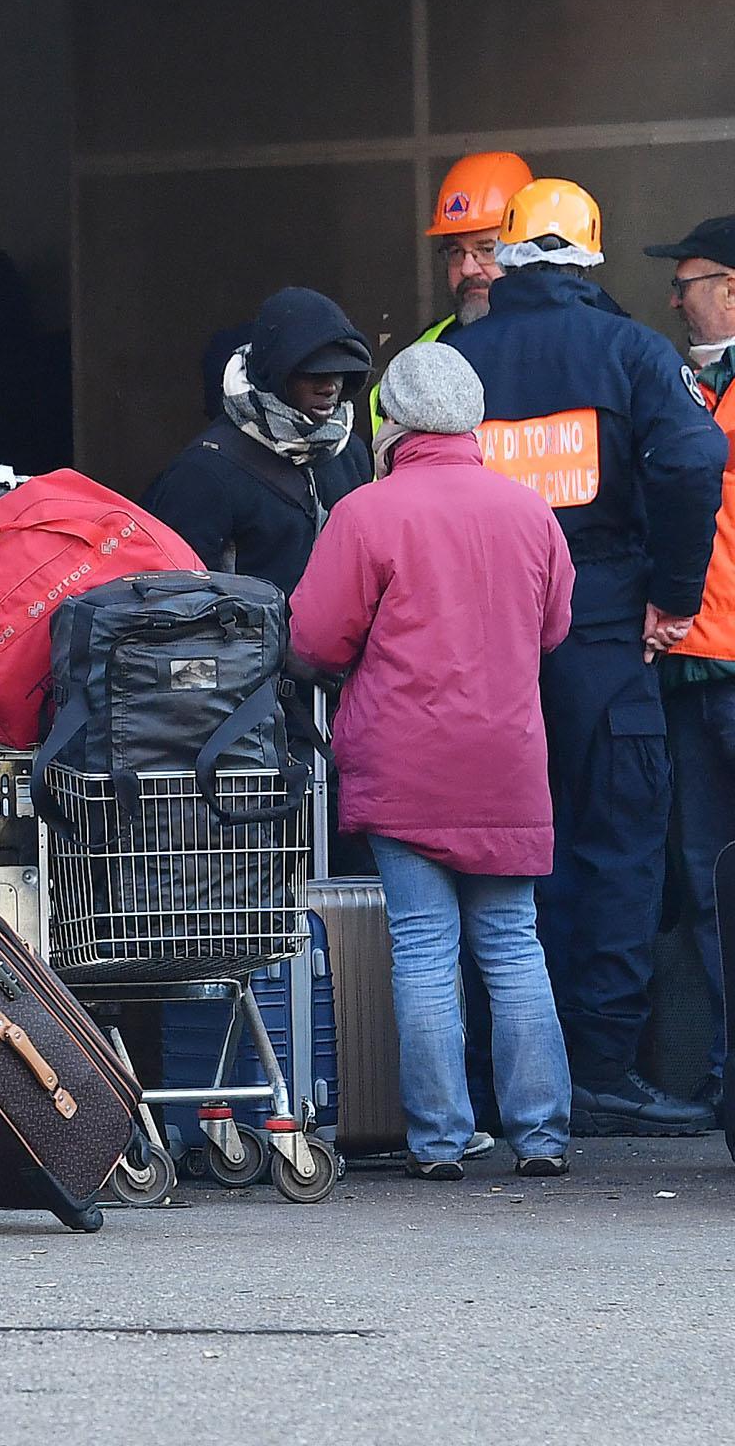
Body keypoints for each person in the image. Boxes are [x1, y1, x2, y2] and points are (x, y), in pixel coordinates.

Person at [445, 178, 730, 1136]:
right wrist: (674, 594)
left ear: (509, 255)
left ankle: (493, 1082)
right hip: (607, 634)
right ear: (591, 256)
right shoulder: (629, 352)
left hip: (487, 642)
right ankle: (602, 1068)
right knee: (614, 850)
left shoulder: (456, 360)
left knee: (495, 857)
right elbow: (693, 461)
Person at [291, 343, 576, 1179]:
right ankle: (543, 1136)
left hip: (406, 763)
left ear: (395, 421)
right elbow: (553, 629)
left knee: (422, 949)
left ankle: (441, 1141)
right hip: (507, 762)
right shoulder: (530, 513)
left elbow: (313, 639)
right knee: (515, 945)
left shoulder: (369, 514)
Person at [646, 213, 735, 1117]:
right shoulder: (684, 388)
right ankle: (725, 1070)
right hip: (688, 672)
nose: (676, 294)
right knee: (710, 888)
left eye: (692, 277)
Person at [145, 287, 374, 604]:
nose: (330, 386)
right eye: (313, 371)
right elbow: (181, 607)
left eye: (341, 371)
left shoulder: (350, 452)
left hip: (344, 648)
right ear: (274, 372)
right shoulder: (203, 474)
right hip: (251, 649)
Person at [368, 152, 535, 428]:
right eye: (456, 252)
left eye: (486, 250)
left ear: (525, 252)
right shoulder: (422, 355)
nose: (468, 268)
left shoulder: (573, 340)